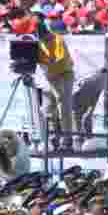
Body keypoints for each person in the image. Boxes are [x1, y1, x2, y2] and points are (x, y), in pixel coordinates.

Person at [35, 12, 75, 148]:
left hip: (64, 74)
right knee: (47, 108)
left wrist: (45, 62)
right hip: (50, 77)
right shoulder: (38, 42)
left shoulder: (58, 39)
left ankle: (67, 138)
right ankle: (52, 137)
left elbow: (59, 59)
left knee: (63, 105)